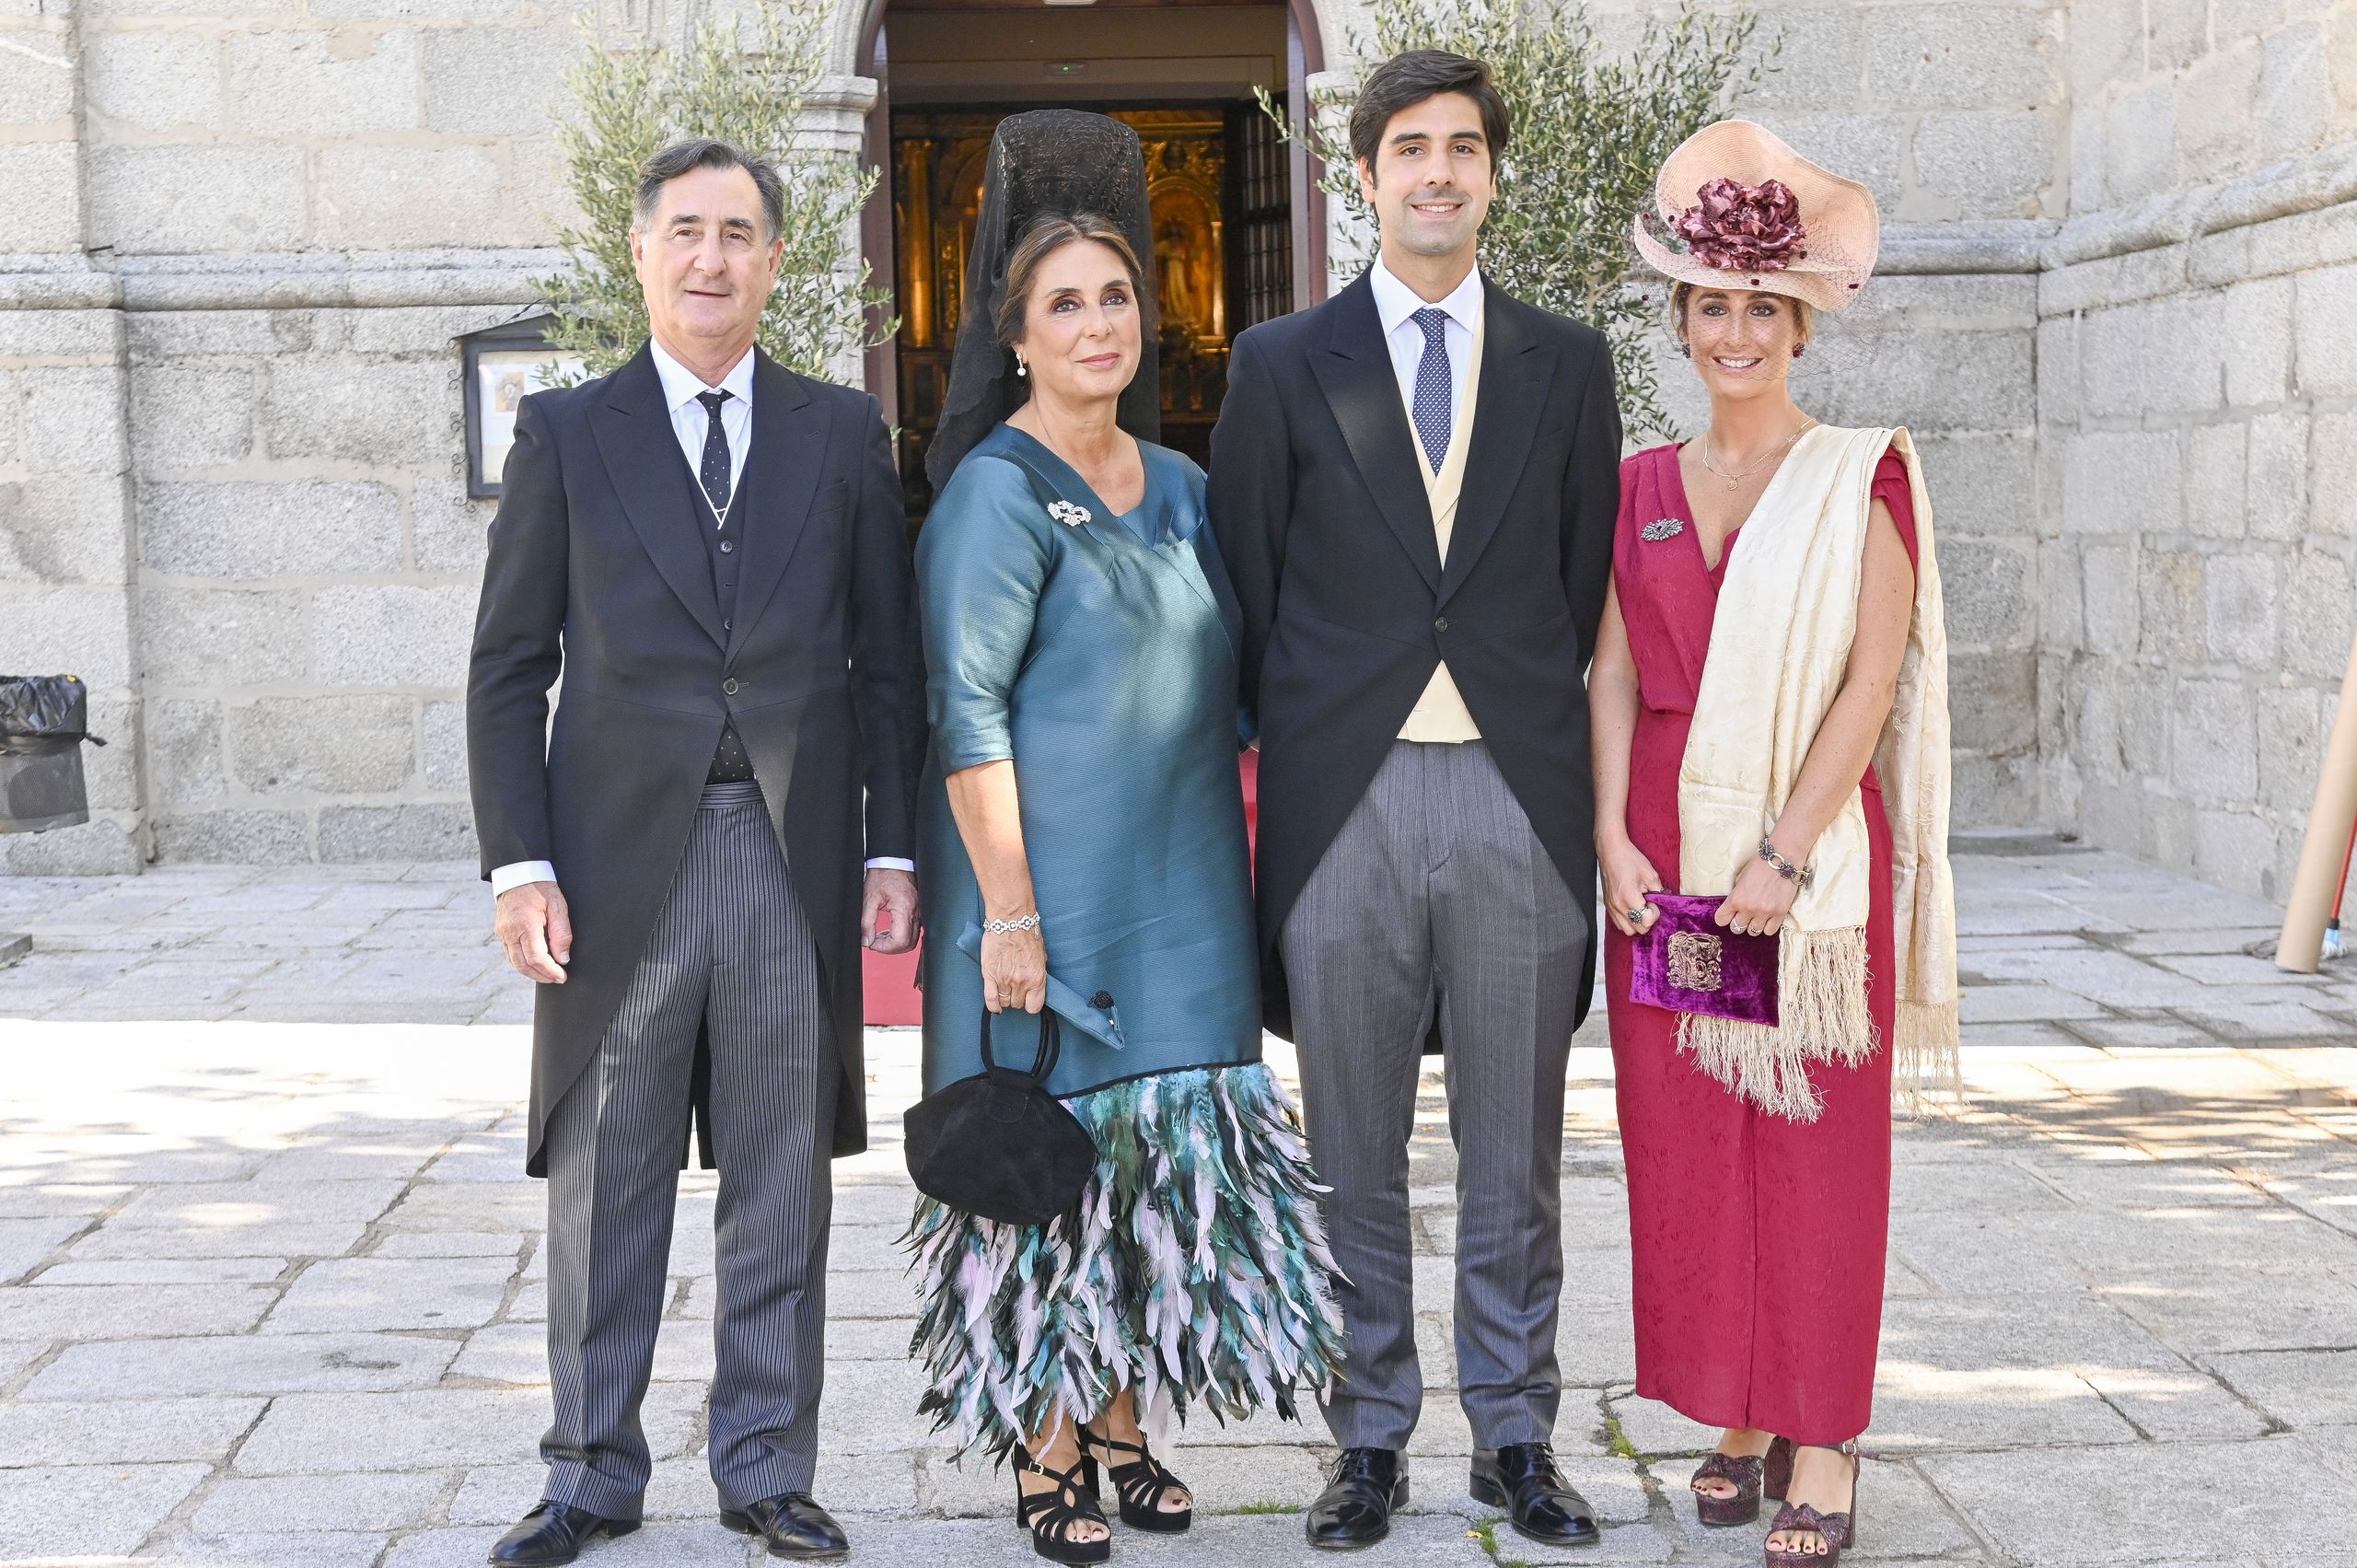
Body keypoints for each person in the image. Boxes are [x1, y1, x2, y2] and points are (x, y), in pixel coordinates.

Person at [466, 136, 926, 1566]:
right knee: (608, 1177)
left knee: (781, 1174)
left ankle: (766, 1467)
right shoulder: (567, 433)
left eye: (737, 233)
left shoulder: (841, 435)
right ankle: (590, 1471)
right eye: (686, 231)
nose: (711, 258)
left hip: (788, 856)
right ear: (642, 251)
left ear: (776, 260)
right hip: (617, 869)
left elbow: (888, 667)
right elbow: (507, 668)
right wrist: (519, 864)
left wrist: (893, 851)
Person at [903, 110, 1345, 1566]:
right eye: (1064, 305)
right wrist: (1010, 916)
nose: (1098, 325)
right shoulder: (995, 496)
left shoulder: (1189, 489)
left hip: (1185, 898)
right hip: (1048, 898)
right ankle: (1047, 1449)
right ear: (1017, 337)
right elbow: (967, 714)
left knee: (1149, 1168)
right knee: (1046, 1170)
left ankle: (1122, 1425)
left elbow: (1249, 681)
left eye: (1115, 299)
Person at [1208, 50, 1620, 1552]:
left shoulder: (1567, 363)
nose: (1437, 172)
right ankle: (1368, 1438)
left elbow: (1577, 578)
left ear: (1491, 174)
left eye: (1462, 148)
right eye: (1410, 149)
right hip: (1348, 802)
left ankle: (1516, 1435)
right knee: (1352, 1150)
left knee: (1516, 1149)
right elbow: (1249, 587)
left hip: (1517, 794)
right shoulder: (1281, 363)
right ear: (1364, 174)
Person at [1596, 120, 1961, 1568]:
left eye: (1761, 308)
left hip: (1799, 856)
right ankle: (1737, 1408)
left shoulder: (1859, 477)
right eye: (1711, 307)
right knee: (1692, 1139)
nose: (1735, 333)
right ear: (1681, 321)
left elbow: (1870, 681)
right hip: (1666, 849)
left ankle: (1823, 1434)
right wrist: (1608, 837)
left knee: (1813, 1144)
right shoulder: (1639, 484)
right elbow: (1610, 673)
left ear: (1800, 324)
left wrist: (1788, 852)